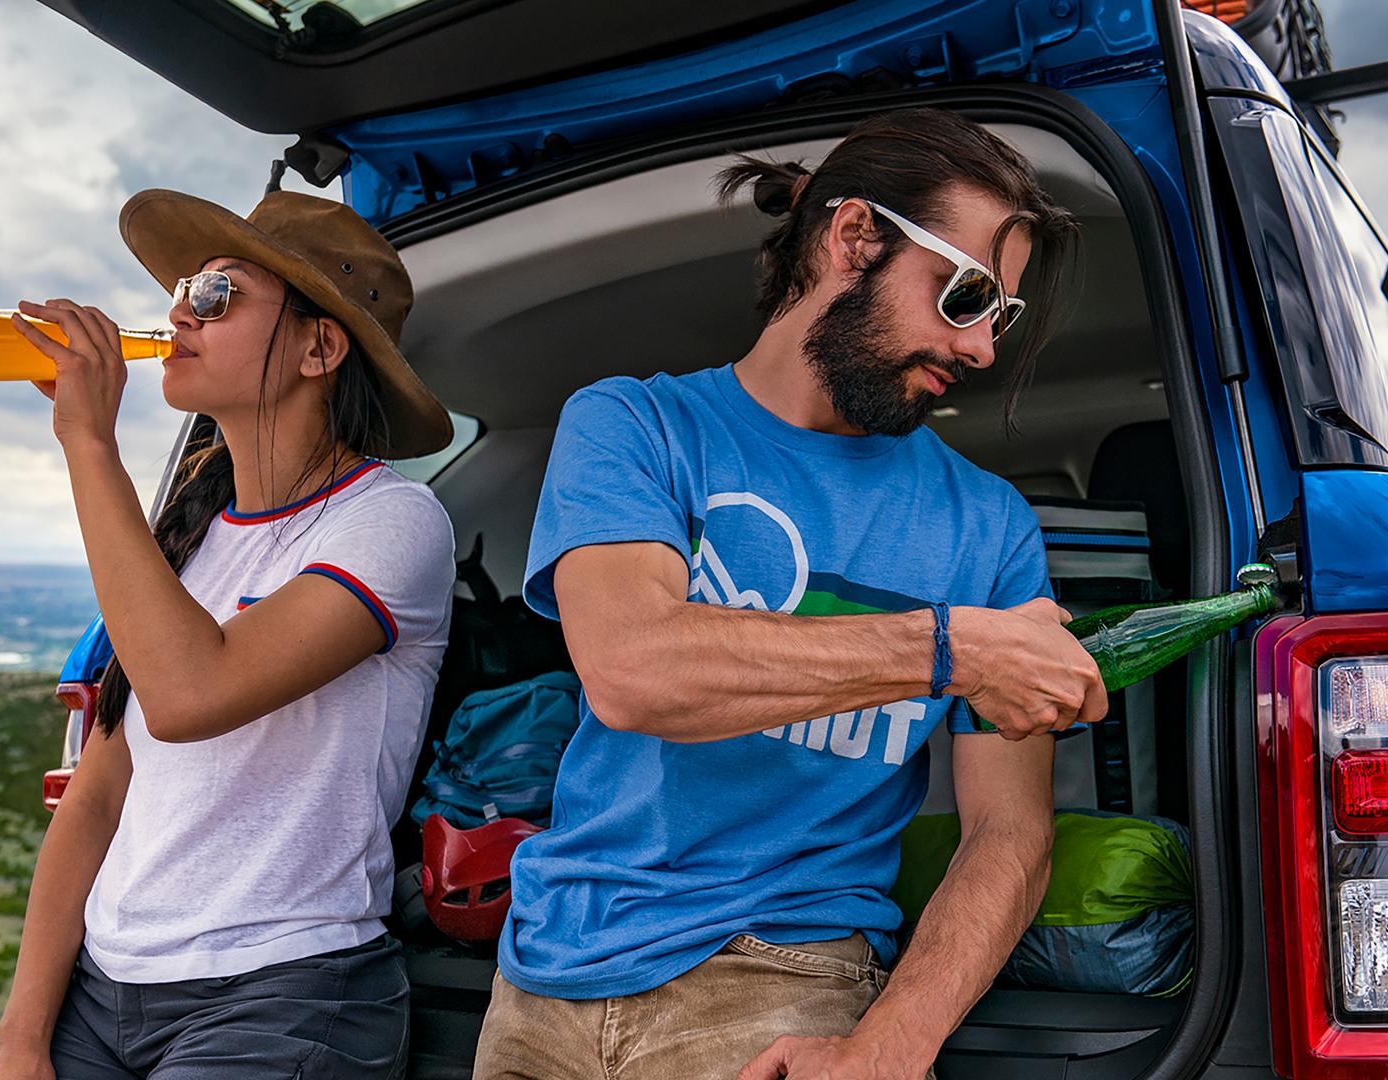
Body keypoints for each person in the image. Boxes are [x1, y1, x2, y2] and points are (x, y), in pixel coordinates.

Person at [471, 107, 1103, 1080]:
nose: (982, 350)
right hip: (541, 976)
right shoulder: (634, 423)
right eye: (967, 295)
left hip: (788, 982)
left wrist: (891, 1048)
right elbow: (633, 669)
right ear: (854, 238)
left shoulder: (990, 525)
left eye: (1000, 317)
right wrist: (952, 647)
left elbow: (1009, 835)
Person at [0, 188, 458, 1080]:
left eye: (216, 294)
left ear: (320, 347)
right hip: (104, 989)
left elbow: (192, 695)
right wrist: (21, 1038)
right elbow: (97, 797)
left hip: (284, 996)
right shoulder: (193, 540)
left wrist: (87, 440)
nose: (176, 312)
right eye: (186, 288)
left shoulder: (393, 521)